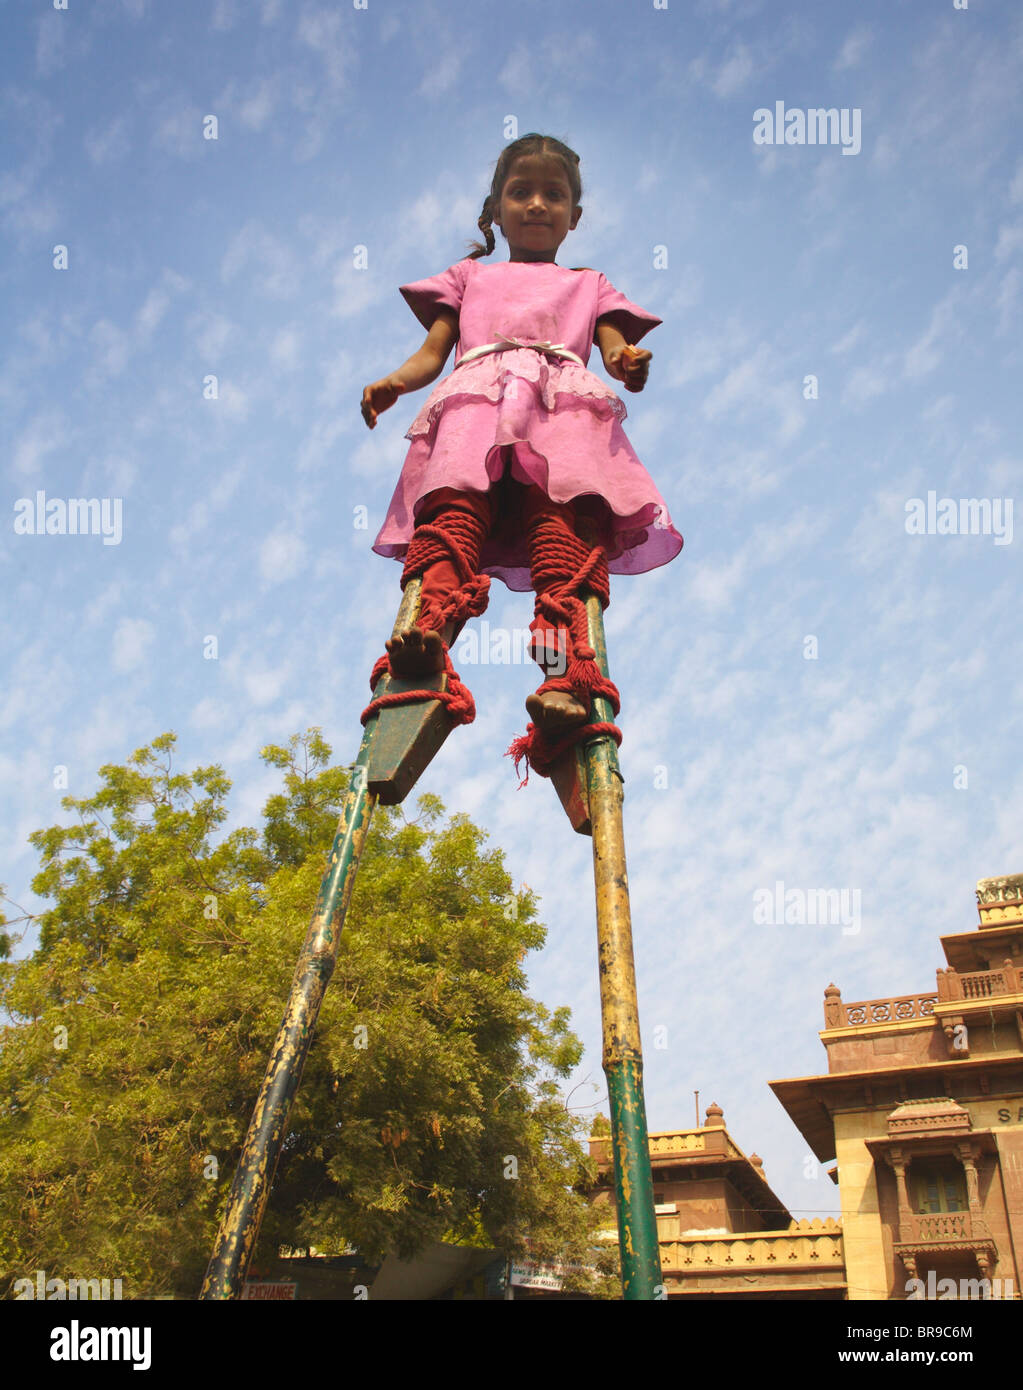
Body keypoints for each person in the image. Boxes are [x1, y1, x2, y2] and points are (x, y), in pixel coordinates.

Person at [361, 133, 683, 745]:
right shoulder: (467, 278)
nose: (537, 204)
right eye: (521, 192)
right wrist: (395, 384)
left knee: (562, 536)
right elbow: (432, 354)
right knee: (453, 519)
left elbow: (614, 349)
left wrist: (628, 363)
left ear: (574, 217)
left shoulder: (591, 286)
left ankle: (563, 678)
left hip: (562, 416)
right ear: (497, 207)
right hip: (473, 411)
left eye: (553, 195)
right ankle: (427, 641)